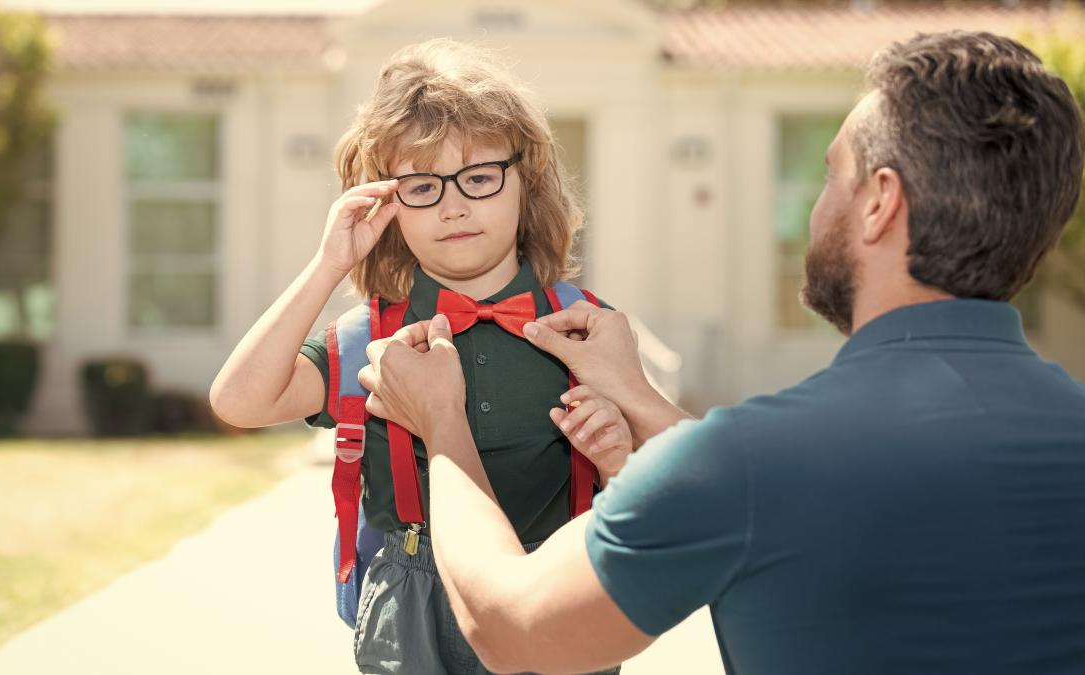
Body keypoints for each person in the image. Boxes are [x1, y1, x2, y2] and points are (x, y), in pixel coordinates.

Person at [356, 31, 1085, 675]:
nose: (814, 206)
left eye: (831, 172)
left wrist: (441, 424)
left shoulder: (747, 460)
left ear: (879, 202)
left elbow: (514, 633)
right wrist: (641, 400)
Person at [210, 38, 631, 674]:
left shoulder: (587, 329)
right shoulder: (369, 340)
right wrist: (330, 264)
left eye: (480, 177)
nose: (454, 205)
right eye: (421, 185)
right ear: (387, 203)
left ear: (527, 182)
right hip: (413, 611)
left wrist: (616, 456)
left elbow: (659, 485)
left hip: (556, 591)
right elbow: (238, 401)